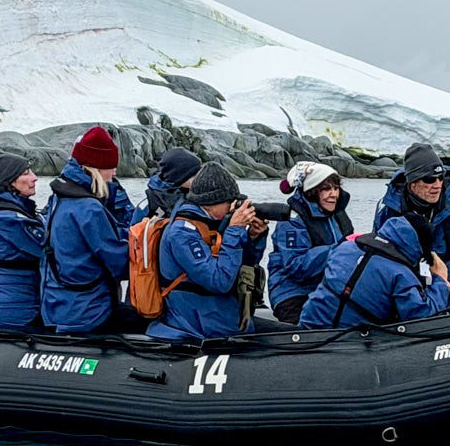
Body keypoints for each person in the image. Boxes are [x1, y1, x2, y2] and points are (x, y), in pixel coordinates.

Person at [147, 162, 269, 341]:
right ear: (212, 202)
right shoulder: (182, 232)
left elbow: (242, 265)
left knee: (288, 333)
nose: (232, 207)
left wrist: (253, 237)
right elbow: (218, 281)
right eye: (229, 202)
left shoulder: (214, 223)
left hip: (220, 320)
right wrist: (234, 229)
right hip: (194, 326)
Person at [372, 143, 450, 309]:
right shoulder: (388, 209)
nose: (437, 184)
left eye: (441, 178)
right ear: (412, 183)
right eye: (429, 179)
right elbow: (377, 259)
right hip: (409, 302)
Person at [41, 126, 136, 333]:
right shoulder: (89, 208)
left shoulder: (59, 197)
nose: (115, 172)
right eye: (111, 166)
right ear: (98, 168)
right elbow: (117, 260)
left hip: (58, 304)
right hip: (88, 309)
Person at [299, 214, 450, 328]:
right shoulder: (401, 275)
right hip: (350, 344)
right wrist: (440, 282)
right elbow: (421, 318)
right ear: (419, 247)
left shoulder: (345, 248)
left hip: (309, 329)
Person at [266, 161, 354, 325]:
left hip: (328, 289)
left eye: (336, 188)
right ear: (313, 191)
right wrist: (339, 250)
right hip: (293, 292)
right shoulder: (291, 221)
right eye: (326, 189)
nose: (333, 194)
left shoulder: (338, 216)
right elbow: (296, 266)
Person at [0, 153, 45, 330]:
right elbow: (49, 249)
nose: (34, 177)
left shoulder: (11, 212)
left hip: (12, 304)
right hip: (10, 312)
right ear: (11, 181)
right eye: (26, 173)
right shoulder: (8, 220)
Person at [132, 146, 202, 223]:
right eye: (194, 175)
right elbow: (134, 231)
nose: (199, 178)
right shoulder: (151, 203)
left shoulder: (201, 195)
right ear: (179, 177)